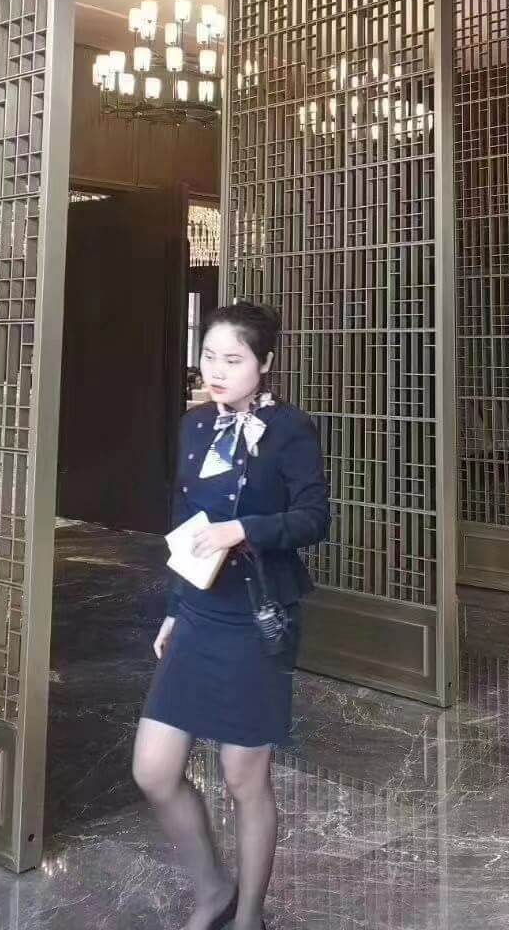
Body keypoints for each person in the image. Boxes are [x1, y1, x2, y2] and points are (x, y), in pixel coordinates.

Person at [133, 302, 330, 930]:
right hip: (198, 611)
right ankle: (212, 890)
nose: (216, 371)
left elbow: (314, 519)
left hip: (255, 617)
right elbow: (183, 523)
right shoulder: (195, 425)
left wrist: (243, 529)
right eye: (209, 357)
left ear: (264, 363)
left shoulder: (290, 429)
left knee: (244, 777)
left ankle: (247, 916)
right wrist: (173, 607)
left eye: (233, 360)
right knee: (154, 770)